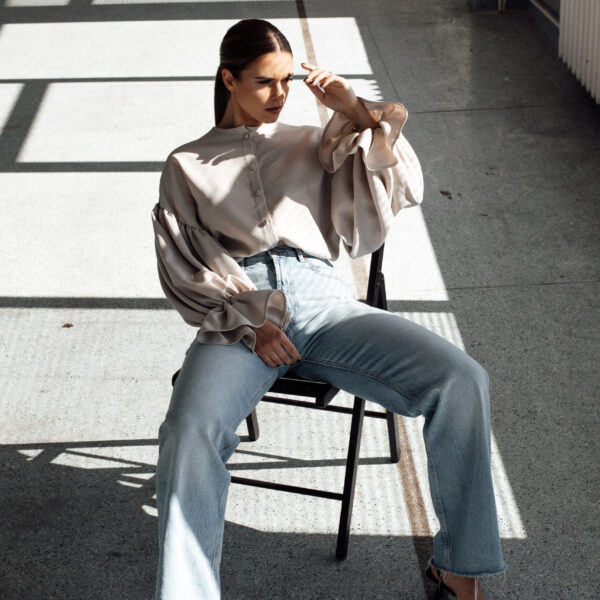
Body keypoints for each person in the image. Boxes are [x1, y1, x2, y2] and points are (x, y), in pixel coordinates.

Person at [151, 17, 506, 600]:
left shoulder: (312, 142)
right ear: (229, 79)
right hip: (240, 311)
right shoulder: (186, 164)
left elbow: (404, 182)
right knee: (188, 431)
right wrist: (251, 321)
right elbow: (183, 264)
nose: (279, 94)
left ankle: (459, 571)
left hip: (325, 302)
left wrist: (353, 107)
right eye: (264, 82)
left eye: (286, 81)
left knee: (462, 380)